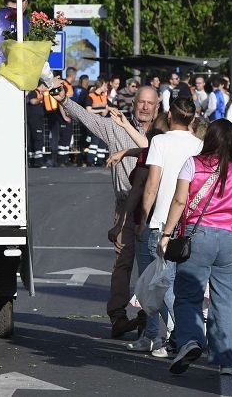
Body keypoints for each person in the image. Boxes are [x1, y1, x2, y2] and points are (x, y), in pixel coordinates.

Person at [51, 80, 160, 338]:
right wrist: (64, 100)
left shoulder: (162, 132)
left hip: (156, 207)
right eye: (141, 102)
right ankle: (118, 317)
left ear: (157, 107)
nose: (145, 107)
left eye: (150, 103)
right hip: (126, 205)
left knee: (153, 266)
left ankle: (150, 318)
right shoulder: (115, 127)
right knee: (122, 263)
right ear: (133, 104)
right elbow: (87, 118)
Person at [157, 119, 232, 376]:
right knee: (226, 299)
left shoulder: (192, 164)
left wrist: (166, 234)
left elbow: (179, 200)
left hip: (199, 235)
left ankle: (191, 340)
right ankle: (226, 360)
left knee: (188, 294)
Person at [135, 97, 203, 354]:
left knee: (162, 283)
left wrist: (143, 218)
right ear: (192, 118)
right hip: (190, 222)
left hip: (162, 220)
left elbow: (152, 184)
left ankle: (183, 335)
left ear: (170, 115)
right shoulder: (199, 144)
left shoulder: (160, 142)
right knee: (177, 283)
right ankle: (169, 335)